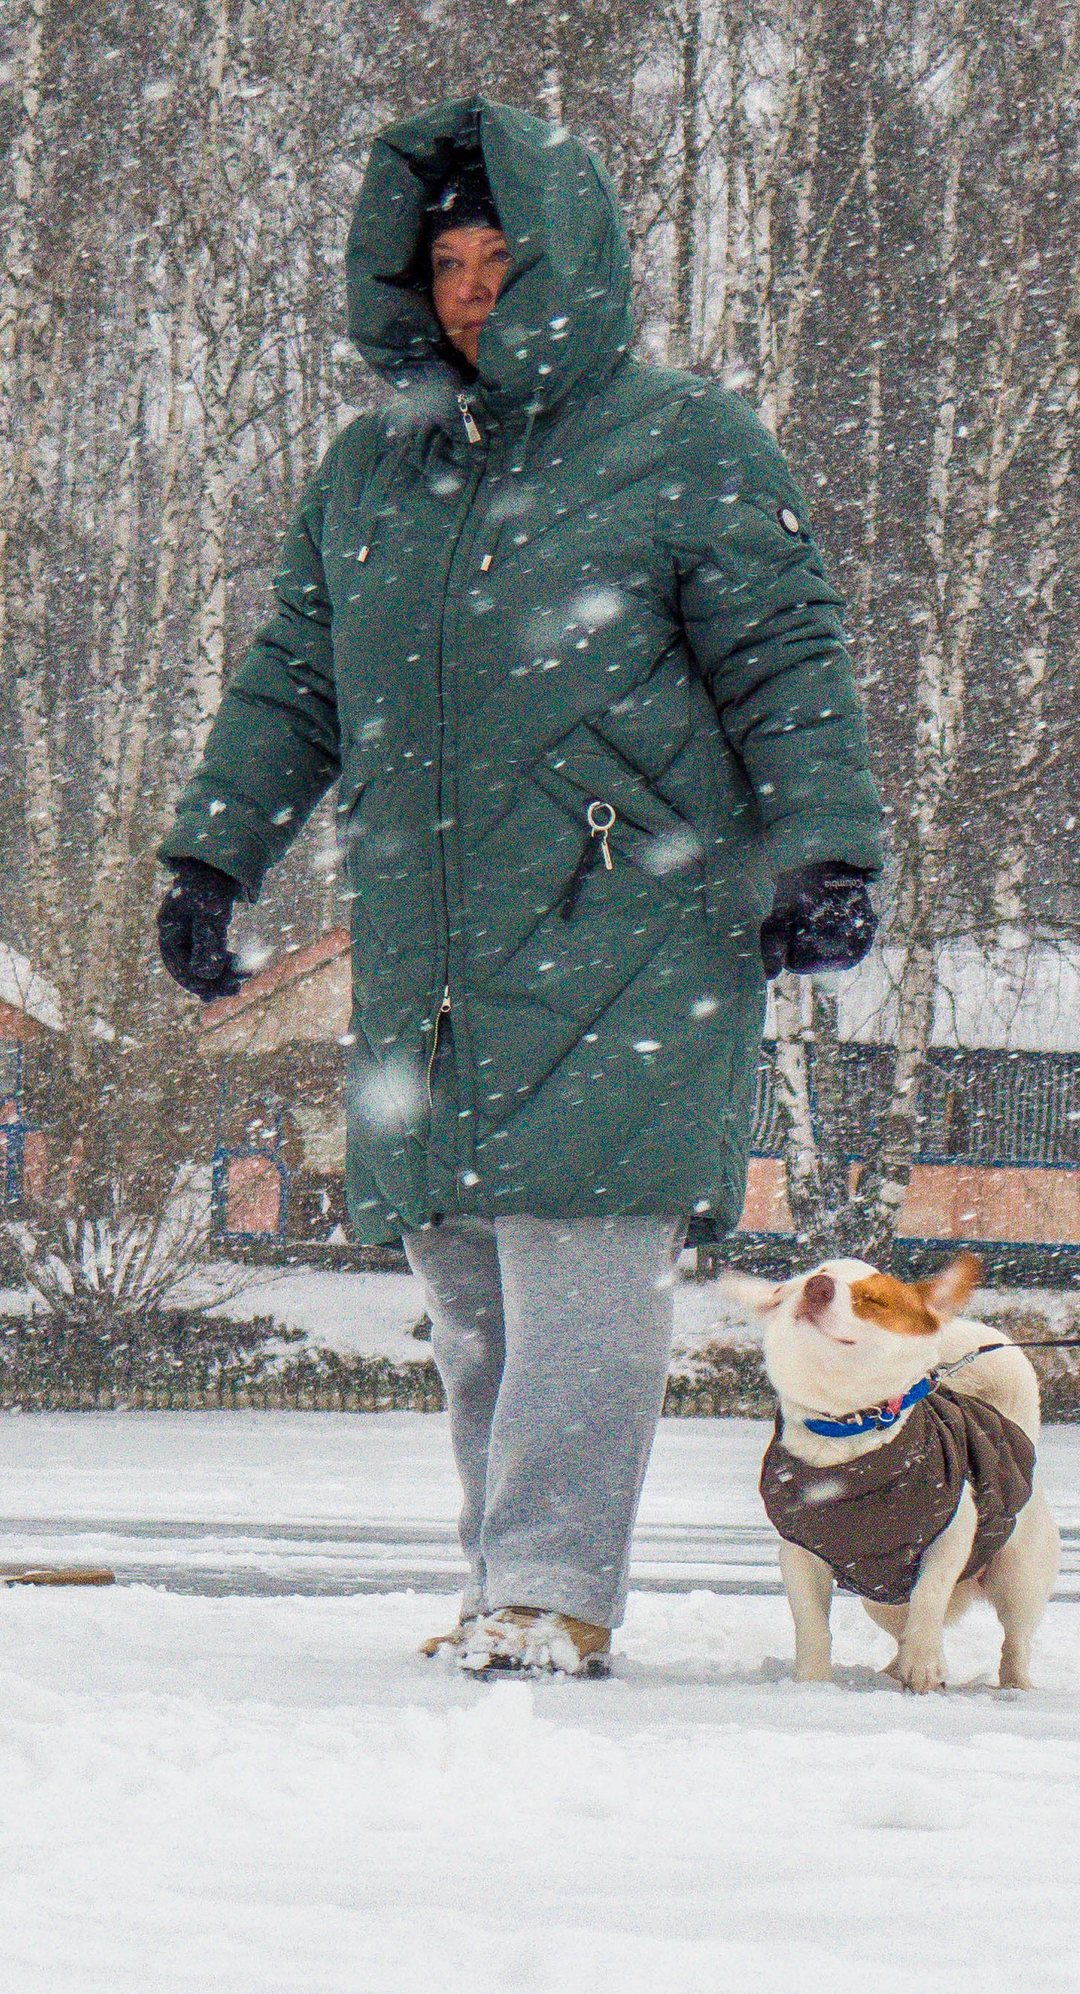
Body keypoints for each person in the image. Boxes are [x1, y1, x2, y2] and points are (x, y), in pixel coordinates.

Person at [158, 95, 884, 1677]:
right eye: (450, 266)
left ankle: (554, 1589)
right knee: (473, 1292)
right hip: (431, 950)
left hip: (626, 927)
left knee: (580, 1276)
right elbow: (295, 676)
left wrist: (825, 848)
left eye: (504, 261)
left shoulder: (686, 441)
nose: (475, 293)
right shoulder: (371, 472)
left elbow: (786, 655)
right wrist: (216, 853)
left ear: (571, 264)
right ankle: (506, 1582)